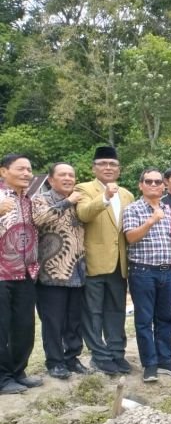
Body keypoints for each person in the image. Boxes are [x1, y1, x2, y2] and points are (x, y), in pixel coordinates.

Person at [75, 146, 134, 375]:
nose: (108, 168)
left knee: (116, 310)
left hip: (120, 263)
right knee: (93, 313)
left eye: (113, 164)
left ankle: (117, 354)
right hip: (94, 262)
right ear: (94, 168)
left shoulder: (127, 194)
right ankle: (99, 357)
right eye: (103, 164)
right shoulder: (85, 189)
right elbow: (84, 214)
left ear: (119, 169)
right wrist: (105, 197)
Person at [123, 168, 171, 382]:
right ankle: (149, 364)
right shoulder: (133, 209)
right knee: (144, 320)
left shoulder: (167, 210)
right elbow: (130, 237)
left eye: (157, 182)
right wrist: (151, 220)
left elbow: (169, 241)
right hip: (142, 271)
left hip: (166, 271)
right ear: (140, 185)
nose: (153, 185)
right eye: (148, 181)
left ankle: (165, 360)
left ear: (163, 186)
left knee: (166, 318)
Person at [32, 162, 89, 379]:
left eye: (71, 175)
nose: (68, 178)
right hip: (52, 273)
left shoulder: (79, 201)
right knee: (53, 321)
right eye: (62, 175)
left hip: (77, 271)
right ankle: (55, 362)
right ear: (50, 179)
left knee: (75, 320)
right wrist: (67, 202)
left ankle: (72, 358)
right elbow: (38, 219)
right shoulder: (41, 199)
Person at [0, 154, 41, 394]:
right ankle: (2, 378)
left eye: (29, 169)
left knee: (24, 326)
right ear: (4, 172)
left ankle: (18, 372)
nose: (27, 173)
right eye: (20, 169)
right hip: (1, 274)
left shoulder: (28, 200)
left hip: (25, 272)